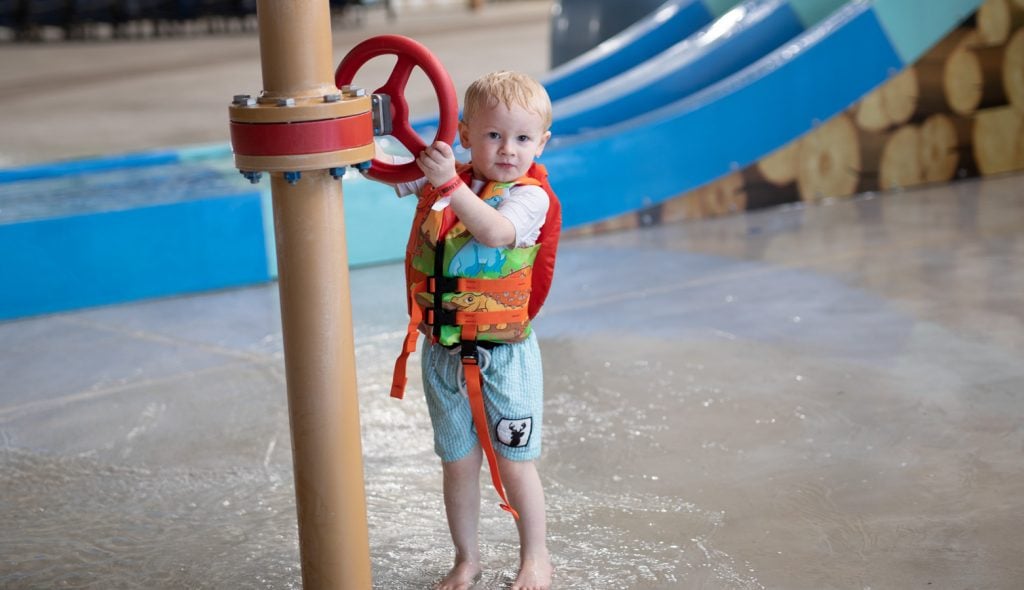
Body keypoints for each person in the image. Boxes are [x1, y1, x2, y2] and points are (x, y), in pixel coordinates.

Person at [376, 70, 558, 590]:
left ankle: (536, 558)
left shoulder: (530, 198)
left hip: (505, 355)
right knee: (457, 464)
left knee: (516, 462)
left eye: (523, 138)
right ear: (465, 134)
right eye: (494, 135)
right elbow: (383, 170)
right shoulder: (445, 175)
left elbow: (495, 231)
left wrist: (449, 185)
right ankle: (467, 559)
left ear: (541, 143)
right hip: (443, 352)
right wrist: (376, 128)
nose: (508, 150)